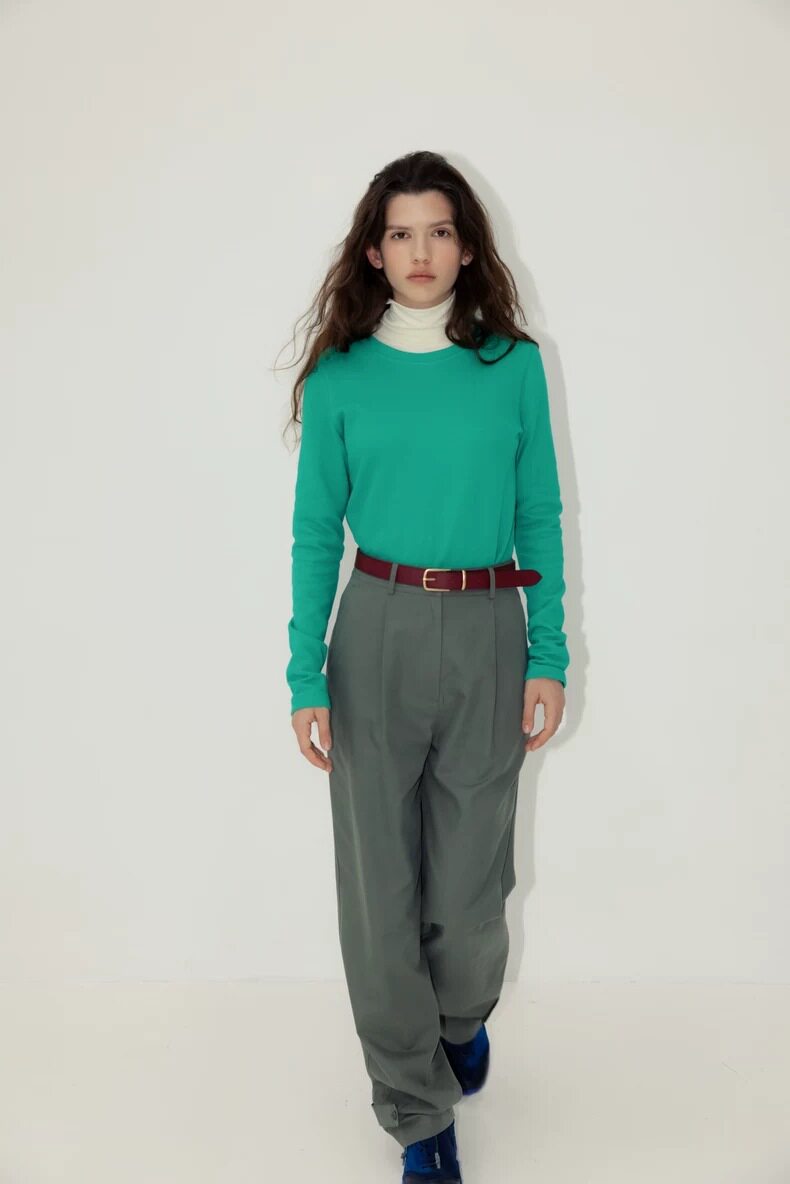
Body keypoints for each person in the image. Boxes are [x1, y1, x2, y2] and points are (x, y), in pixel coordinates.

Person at [282, 150, 569, 1184]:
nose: (420, 251)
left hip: (491, 625)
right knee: (379, 885)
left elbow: (540, 510)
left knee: (471, 886)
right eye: (400, 233)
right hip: (376, 629)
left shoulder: (513, 366)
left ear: (466, 246)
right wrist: (305, 675)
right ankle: (414, 1108)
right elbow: (316, 533)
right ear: (373, 251)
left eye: (439, 231)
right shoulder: (339, 377)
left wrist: (549, 651)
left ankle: (458, 1014)